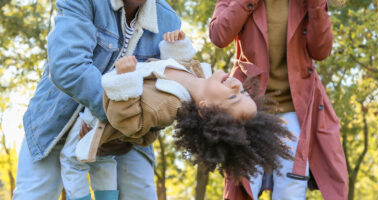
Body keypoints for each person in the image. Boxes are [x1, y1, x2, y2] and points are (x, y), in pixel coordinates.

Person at [75, 30, 295, 183]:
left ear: (205, 108)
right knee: (101, 173)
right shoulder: (199, 76)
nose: (237, 85)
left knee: (76, 170)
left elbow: (129, 121)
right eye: (244, 92)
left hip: (90, 122)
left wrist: (125, 80)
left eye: (233, 97)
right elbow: (172, 67)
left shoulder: (168, 106)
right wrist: (176, 44)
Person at [13, 0, 181, 200]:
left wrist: (117, 130)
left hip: (128, 130)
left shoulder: (168, 20)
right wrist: (115, 118)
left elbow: (164, 90)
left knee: (140, 193)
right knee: (34, 195)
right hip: (58, 117)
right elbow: (68, 66)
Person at [209, 0, 348, 199]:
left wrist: (316, 5)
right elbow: (218, 36)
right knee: (244, 182)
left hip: (294, 107)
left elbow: (321, 51)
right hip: (249, 105)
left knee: (291, 187)